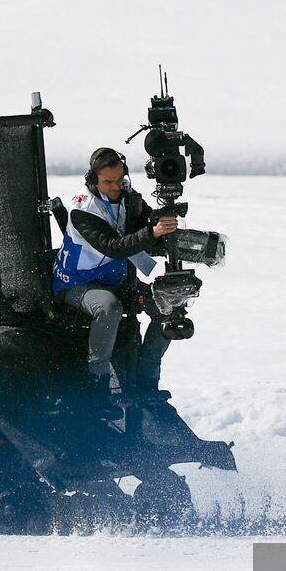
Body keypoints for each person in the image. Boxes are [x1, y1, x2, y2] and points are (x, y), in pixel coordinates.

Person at [53, 147, 179, 410]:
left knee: (168, 309)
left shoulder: (126, 195)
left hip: (116, 279)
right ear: (93, 180)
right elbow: (113, 246)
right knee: (109, 308)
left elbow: (143, 217)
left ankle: (146, 377)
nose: (115, 187)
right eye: (108, 182)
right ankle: (97, 382)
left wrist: (158, 218)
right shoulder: (83, 209)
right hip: (77, 283)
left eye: (119, 180)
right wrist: (152, 233)